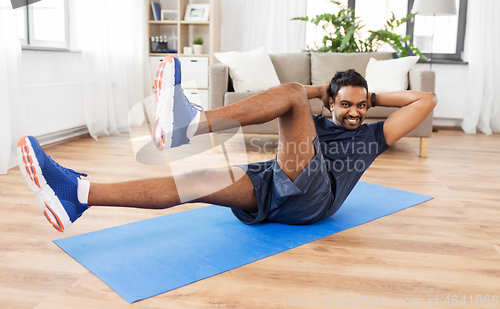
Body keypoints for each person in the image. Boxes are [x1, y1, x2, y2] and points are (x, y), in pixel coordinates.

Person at [18, 55, 437, 232]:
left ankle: (190, 124)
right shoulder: (310, 124)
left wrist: (371, 98)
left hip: (315, 196)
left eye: (362, 106)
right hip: (276, 185)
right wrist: (325, 91)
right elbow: (306, 110)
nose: (356, 113)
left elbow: (427, 100)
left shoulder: (372, 136)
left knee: (290, 92)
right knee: (194, 181)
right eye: (347, 105)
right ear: (329, 103)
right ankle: (79, 195)